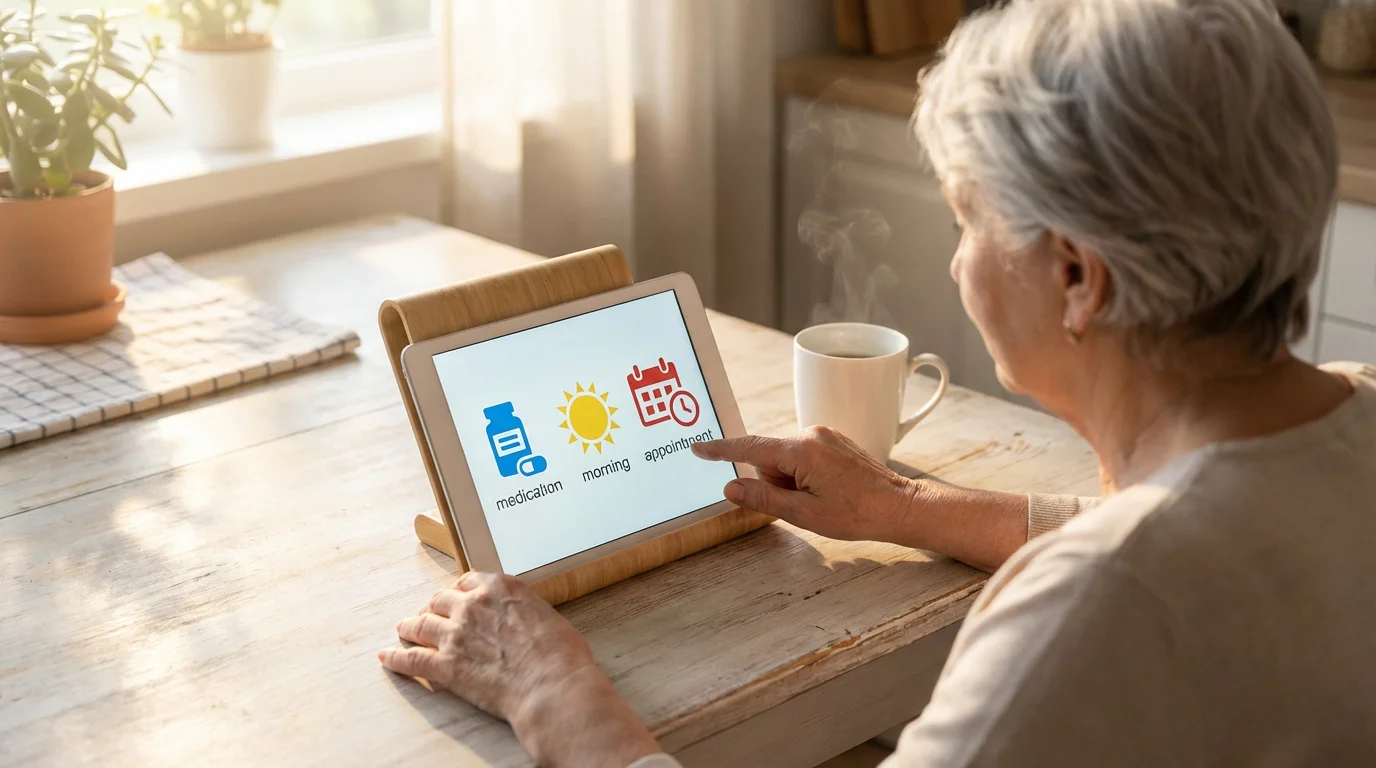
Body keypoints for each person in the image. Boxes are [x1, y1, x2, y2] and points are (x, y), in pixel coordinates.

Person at [379, 0, 1376, 764]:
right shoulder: (1353, 411)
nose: (955, 263)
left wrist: (556, 694)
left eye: (966, 221)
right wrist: (897, 504)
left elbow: (1140, 567)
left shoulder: (1080, 613)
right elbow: (1208, 534)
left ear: (1077, 278)